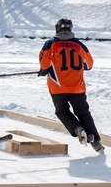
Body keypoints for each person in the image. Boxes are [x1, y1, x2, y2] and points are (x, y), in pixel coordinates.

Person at [38, 18, 105, 154]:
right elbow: (89, 65)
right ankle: (95, 141)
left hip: (58, 87)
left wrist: (43, 70)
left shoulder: (50, 43)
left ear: (57, 28)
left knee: (62, 111)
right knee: (83, 112)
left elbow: (44, 64)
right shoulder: (79, 45)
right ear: (71, 28)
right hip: (77, 87)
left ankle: (77, 128)